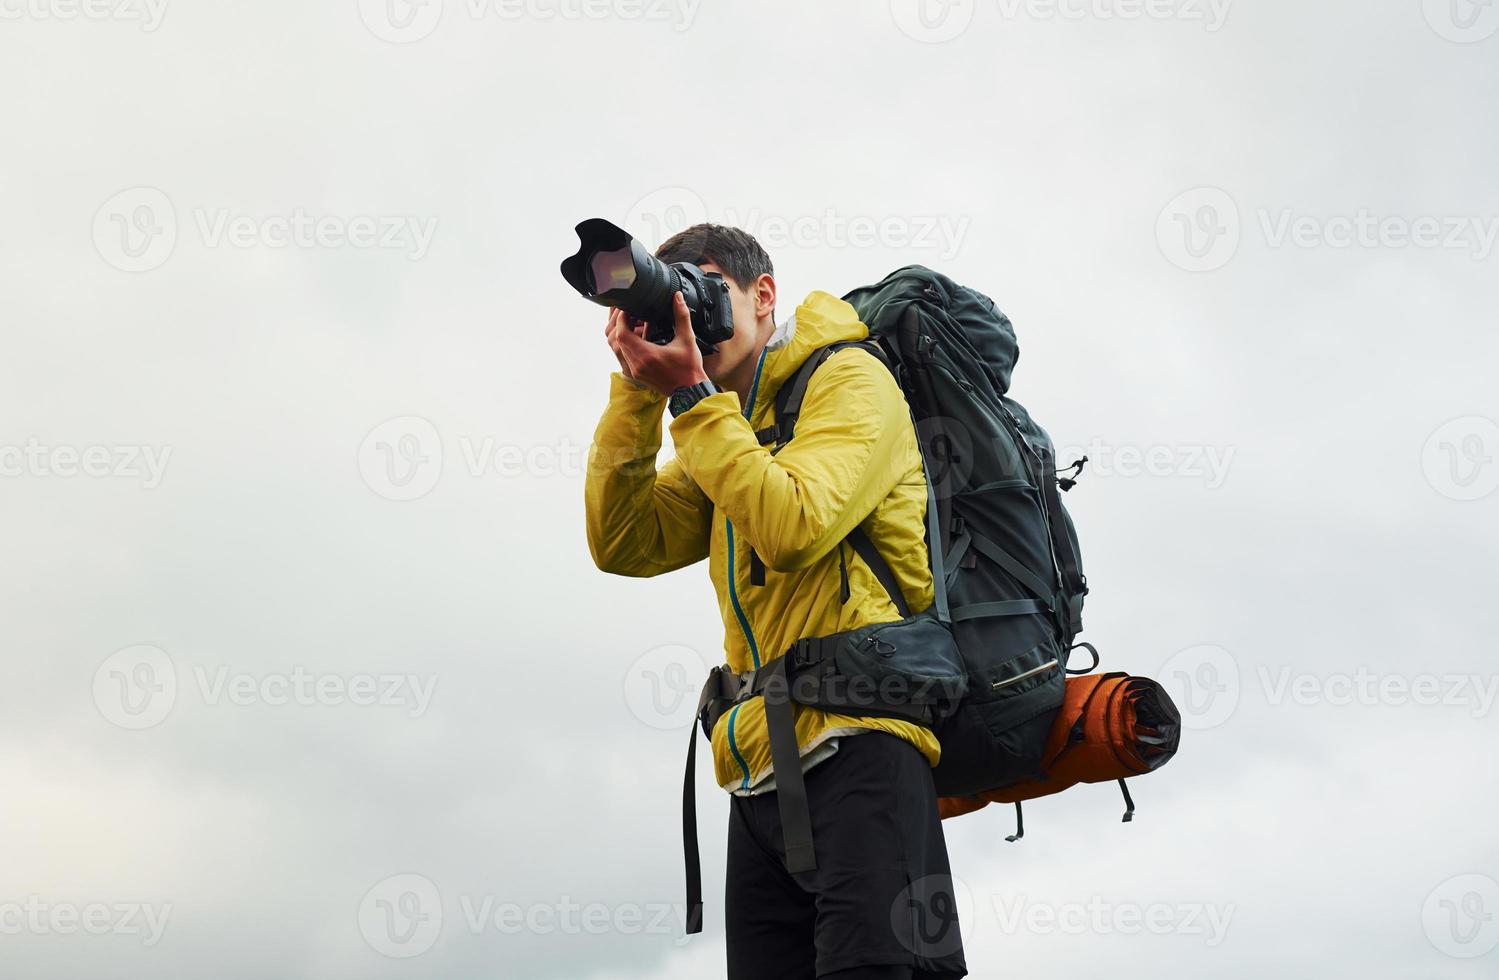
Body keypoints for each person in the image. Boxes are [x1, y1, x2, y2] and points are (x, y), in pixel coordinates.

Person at [584, 223, 967, 980]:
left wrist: (692, 396)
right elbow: (624, 543)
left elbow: (791, 526)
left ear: (764, 296)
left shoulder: (849, 381)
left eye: (704, 292)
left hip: (861, 745)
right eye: (672, 299)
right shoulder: (728, 422)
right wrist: (636, 392)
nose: (688, 318)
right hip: (759, 769)